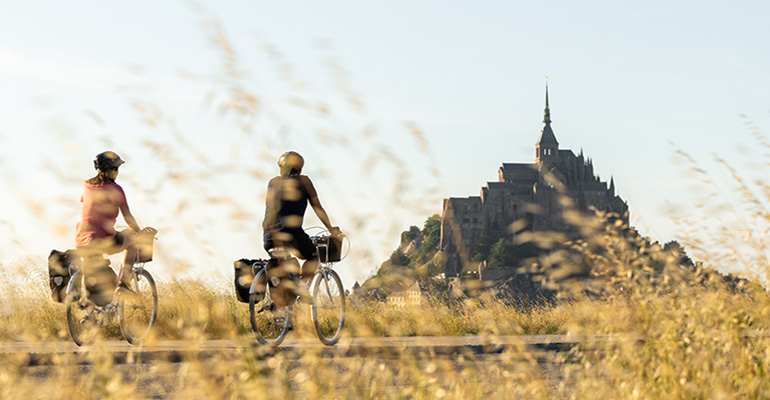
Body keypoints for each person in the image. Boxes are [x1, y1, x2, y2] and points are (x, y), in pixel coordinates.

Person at [262, 151, 341, 300]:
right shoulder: (304, 181)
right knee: (313, 256)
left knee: (285, 266)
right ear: (299, 168)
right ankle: (302, 289)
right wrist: (331, 228)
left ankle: (283, 309)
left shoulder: (273, 182)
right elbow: (317, 207)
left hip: (268, 237)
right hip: (291, 234)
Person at [75, 151, 154, 295]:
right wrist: (138, 231)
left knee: (97, 276)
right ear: (111, 170)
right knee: (132, 240)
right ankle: (124, 283)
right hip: (102, 239)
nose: (117, 172)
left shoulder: (86, 186)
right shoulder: (115, 190)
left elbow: (86, 204)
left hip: (81, 239)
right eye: (116, 169)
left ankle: (94, 312)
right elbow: (127, 216)